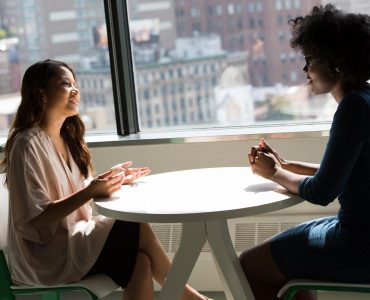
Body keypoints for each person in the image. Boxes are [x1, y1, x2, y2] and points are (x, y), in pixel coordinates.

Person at [1, 59, 212, 300]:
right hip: (46, 258)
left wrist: (111, 181)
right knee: (135, 225)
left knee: (140, 262)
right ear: (42, 94)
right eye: (65, 84)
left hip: (73, 242)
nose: (75, 90)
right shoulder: (27, 144)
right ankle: (190, 297)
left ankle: (188, 296)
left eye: (75, 84)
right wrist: (90, 191)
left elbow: (76, 195)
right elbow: (36, 218)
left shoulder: (66, 139)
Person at [239, 4, 370, 300]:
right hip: (360, 235)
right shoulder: (365, 99)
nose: (305, 69)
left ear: (334, 63)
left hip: (359, 246)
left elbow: (323, 192)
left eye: (309, 59)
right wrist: (287, 166)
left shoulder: (352, 108)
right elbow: (349, 173)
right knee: (288, 253)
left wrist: (275, 173)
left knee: (248, 265)